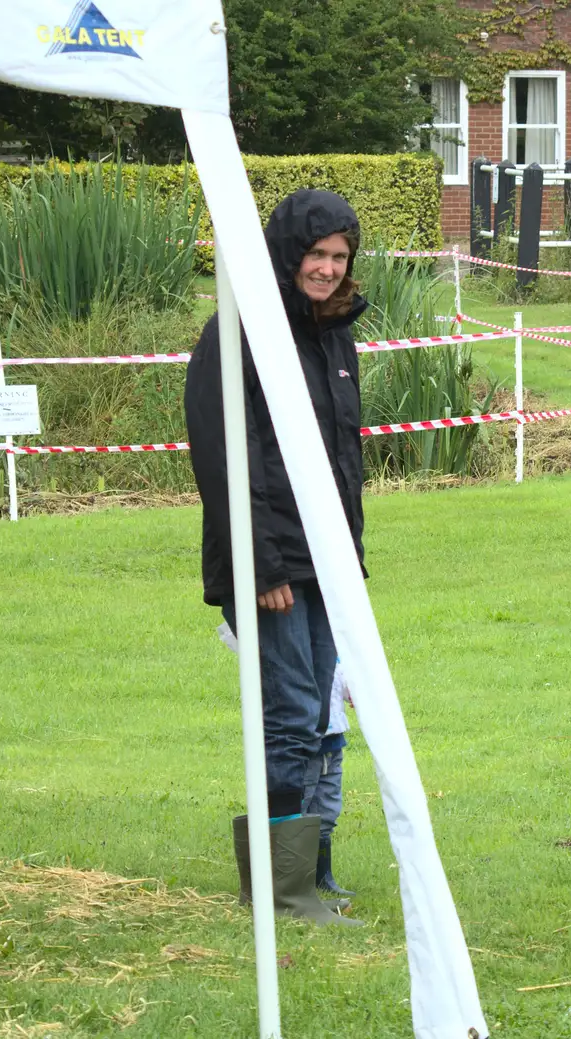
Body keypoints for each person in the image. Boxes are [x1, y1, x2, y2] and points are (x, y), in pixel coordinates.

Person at [185, 188, 370, 928]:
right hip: (272, 565)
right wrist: (260, 567)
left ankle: (313, 871)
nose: (326, 269)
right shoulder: (234, 335)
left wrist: (349, 562)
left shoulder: (335, 336)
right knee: (292, 713)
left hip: (328, 565)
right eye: (315, 255)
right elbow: (226, 458)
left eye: (338, 257)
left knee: (323, 714)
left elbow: (340, 459)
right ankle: (281, 889)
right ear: (286, 255)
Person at [304, 657, 353, 898]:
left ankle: (322, 876)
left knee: (327, 808)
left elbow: (342, 674)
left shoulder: (332, 641)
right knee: (297, 809)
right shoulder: (294, 640)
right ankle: (291, 880)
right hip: (300, 742)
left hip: (332, 740)